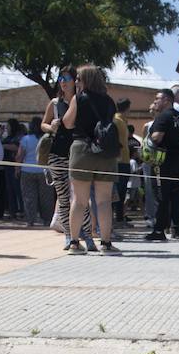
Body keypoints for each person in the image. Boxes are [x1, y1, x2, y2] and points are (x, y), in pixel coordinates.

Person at [62, 64, 122, 254]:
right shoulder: (109, 101)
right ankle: (105, 243)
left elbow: (67, 123)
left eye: (78, 78)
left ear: (86, 80)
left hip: (82, 150)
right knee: (104, 201)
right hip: (105, 151)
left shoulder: (78, 99)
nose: (76, 81)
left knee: (79, 200)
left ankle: (73, 243)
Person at [41, 69, 95, 250]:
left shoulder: (83, 101)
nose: (62, 82)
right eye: (60, 78)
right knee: (63, 197)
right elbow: (43, 124)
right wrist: (50, 126)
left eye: (67, 78)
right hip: (57, 154)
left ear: (75, 81)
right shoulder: (55, 103)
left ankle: (87, 234)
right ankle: (68, 236)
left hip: (78, 155)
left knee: (81, 198)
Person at [144, 88, 179, 242]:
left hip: (162, 163)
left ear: (167, 100)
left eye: (158, 98)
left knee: (160, 196)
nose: (155, 101)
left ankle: (158, 230)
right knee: (176, 196)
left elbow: (157, 138)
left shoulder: (163, 116)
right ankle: (178, 230)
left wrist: (147, 141)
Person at [17, 118, 54, 226]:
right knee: (46, 197)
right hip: (44, 170)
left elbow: (20, 155)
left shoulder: (25, 139)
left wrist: (17, 168)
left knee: (29, 196)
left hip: (27, 170)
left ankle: (30, 219)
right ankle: (47, 219)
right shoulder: (47, 138)